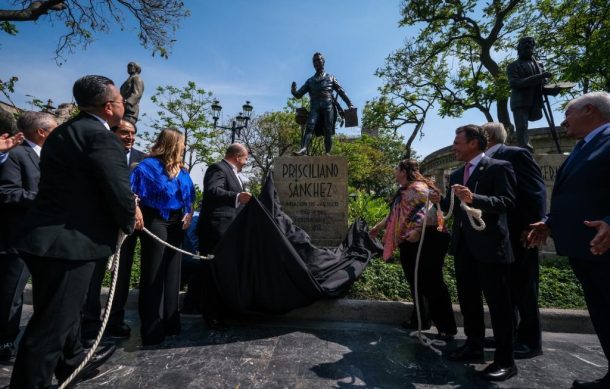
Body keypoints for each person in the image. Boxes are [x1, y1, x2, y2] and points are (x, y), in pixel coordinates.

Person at [9, 75, 136, 388]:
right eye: (121, 100)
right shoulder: (102, 138)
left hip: (46, 239)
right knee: (50, 327)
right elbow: (117, 189)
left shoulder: (64, 132)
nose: (125, 104)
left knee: (61, 312)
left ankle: (72, 364)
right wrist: (130, 219)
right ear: (109, 107)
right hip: (69, 243)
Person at [528, 92, 610, 389]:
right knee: (602, 314)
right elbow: (576, 194)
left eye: (569, 113)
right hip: (586, 250)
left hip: (604, 247)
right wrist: (550, 222)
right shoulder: (584, 147)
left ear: (590, 110)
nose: (563, 121)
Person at [430, 124, 517, 381]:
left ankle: (505, 360)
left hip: (491, 248)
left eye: (457, 142)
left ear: (473, 143)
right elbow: (453, 208)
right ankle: (473, 345)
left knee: (499, 304)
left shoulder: (499, 167)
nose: (454, 146)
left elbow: (508, 202)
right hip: (464, 248)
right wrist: (440, 200)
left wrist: (475, 198)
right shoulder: (457, 173)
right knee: (468, 300)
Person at [369, 159, 457, 341]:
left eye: (396, 168)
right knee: (415, 281)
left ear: (403, 171)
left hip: (428, 239)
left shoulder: (419, 188)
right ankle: (421, 319)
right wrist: (378, 227)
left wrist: (417, 229)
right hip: (409, 240)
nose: (394, 171)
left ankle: (446, 327)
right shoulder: (404, 191)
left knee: (432, 282)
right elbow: (396, 213)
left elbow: (432, 212)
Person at [482, 122, 546, 359]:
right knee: (506, 288)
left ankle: (530, 341)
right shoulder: (484, 161)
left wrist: (534, 226)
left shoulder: (516, 154)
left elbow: (536, 191)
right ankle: (508, 334)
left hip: (520, 233)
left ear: (487, 136)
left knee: (524, 287)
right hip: (499, 236)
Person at [82, 119, 146, 345]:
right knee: (95, 274)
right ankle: (89, 322)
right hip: (100, 225)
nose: (130, 137)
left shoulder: (143, 159)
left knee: (122, 274)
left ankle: (115, 319)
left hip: (127, 228)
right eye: (125, 133)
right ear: (113, 133)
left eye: (133, 133)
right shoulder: (99, 152)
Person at [0, 112, 57, 362]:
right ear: (41, 132)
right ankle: (4, 342)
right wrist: (42, 200)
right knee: (11, 294)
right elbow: (7, 192)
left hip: (47, 237)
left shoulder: (51, 157)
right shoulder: (16, 154)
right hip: (19, 237)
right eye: (55, 128)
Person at [130, 128, 195, 346]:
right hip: (155, 219)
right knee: (154, 271)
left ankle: (170, 322)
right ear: (172, 143)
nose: (184, 147)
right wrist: (136, 211)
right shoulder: (147, 167)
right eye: (182, 143)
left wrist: (189, 212)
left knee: (173, 271)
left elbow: (190, 195)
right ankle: (151, 327)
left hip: (177, 222)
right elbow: (133, 192)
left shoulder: (183, 170)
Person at [196, 143, 252, 329]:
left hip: (228, 231)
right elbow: (213, 191)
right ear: (237, 156)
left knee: (224, 272)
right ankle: (211, 315)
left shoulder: (233, 172)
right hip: (215, 231)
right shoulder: (217, 168)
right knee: (212, 272)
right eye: (245, 158)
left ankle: (222, 312)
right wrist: (238, 197)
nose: (246, 162)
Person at [291, 52, 354, 155]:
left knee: (328, 129)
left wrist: (349, 104)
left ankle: (327, 152)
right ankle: (303, 149)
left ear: (323, 62)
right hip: (314, 106)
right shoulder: (310, 81)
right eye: (314, 61)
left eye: (318, 60)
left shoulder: (331, 77)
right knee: (309, 127)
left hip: (328, 105)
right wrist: (294, 91)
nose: (316, 62)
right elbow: (299, 94)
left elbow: (341, 91)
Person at [507, 36, 551, 151]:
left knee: (534, 121)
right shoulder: (513, 66)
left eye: (530, 48)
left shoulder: (539, 64)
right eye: (525, 48)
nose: (528, 50)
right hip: (520, 101)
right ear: (519, 49)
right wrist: (539, 77)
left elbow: (543, 84)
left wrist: (553, 89)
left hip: (536, 100)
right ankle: (525, 150)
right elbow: (515, 83)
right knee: (522, 128)